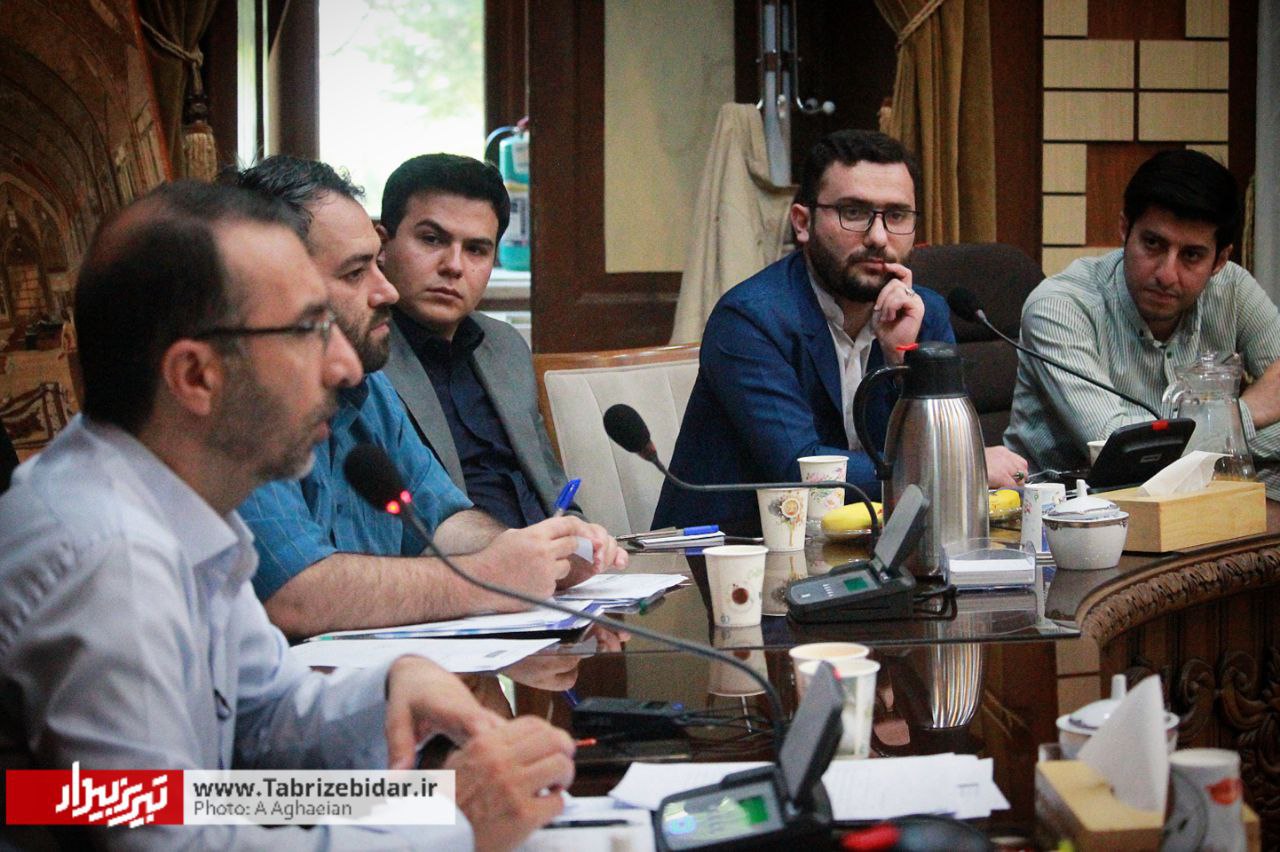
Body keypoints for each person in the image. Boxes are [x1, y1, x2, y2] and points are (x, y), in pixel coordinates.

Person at [0, 181, 576, 850]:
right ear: (196, 376)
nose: (344, 366)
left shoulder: (174, 501)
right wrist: (453, 821)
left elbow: (261, 728)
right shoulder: (110, 558)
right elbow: (173, 841)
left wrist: (392, 695)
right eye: (308, 331)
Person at [231, 156, 624, 640]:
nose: (387, 291)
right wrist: (489, 578)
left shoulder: (369, 383)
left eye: (374, 264)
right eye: (355, 273)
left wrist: (538, 554)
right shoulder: (237, 399)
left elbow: (442, 518)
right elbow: (293, 595)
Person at [653, 129, 1026, 533]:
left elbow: (941, 441)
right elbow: (801, 471)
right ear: (803, 222)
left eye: (897, 216)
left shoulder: (926, 313)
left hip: (869, 545)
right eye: (854, 212)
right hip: (728, 552)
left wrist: (904, 362)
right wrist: (950, 468)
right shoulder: (750, 319)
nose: (878, 237)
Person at [1004, 148, 1280, 472]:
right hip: (1074, 498)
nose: (1166, 274)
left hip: (1204, 495)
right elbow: (1117, 449)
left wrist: (1215, 441)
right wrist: (1243, 415)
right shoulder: (1060, 307)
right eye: (1153, 244)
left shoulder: (1233, 288)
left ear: (1219, 260)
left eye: (1191, 255)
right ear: (1125, 229)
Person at [377, 154, 570, 528]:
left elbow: (554, 491)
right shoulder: (360, 355)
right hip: (452, 558)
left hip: (551, 556)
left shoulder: (506, 346)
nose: (454, 265)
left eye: (476, 250)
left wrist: (582, 535)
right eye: (432, 239)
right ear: (382, 245)